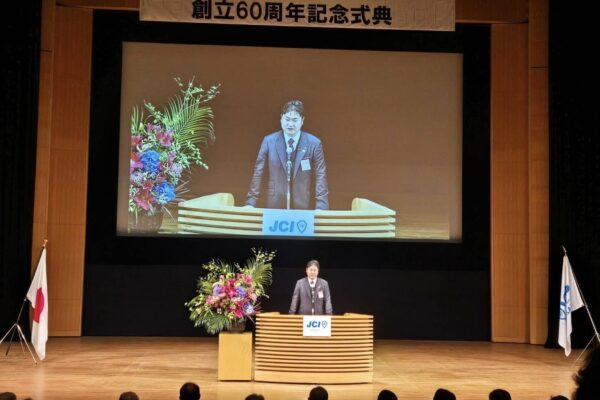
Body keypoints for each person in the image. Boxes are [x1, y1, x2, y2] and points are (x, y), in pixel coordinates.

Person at [245, 100, 329, 210]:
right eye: (287, 119)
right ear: (281, 118)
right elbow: (258, 172)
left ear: (302, 120)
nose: (290, 124)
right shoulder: (269, 141)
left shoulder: (314, 143)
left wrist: (321, 207)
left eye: (294, 120)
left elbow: (320, 175)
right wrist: (251, 203)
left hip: (303, 203)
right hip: (274, 202)